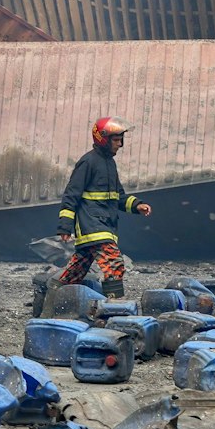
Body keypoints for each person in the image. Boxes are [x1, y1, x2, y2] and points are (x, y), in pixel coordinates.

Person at [55, 117, 150, 298]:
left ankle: (52, 299)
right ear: (103, 139)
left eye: (121, 139)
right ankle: (114, 309)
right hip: (92, 226)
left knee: (75, 272)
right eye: (116, 140)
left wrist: (137, 205)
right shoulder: (88, 162)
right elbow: (71, 195)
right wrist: (64, 226)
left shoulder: (110, 164)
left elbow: (118, 197)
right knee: (114, 264)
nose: (120, 144)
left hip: (104, 225)